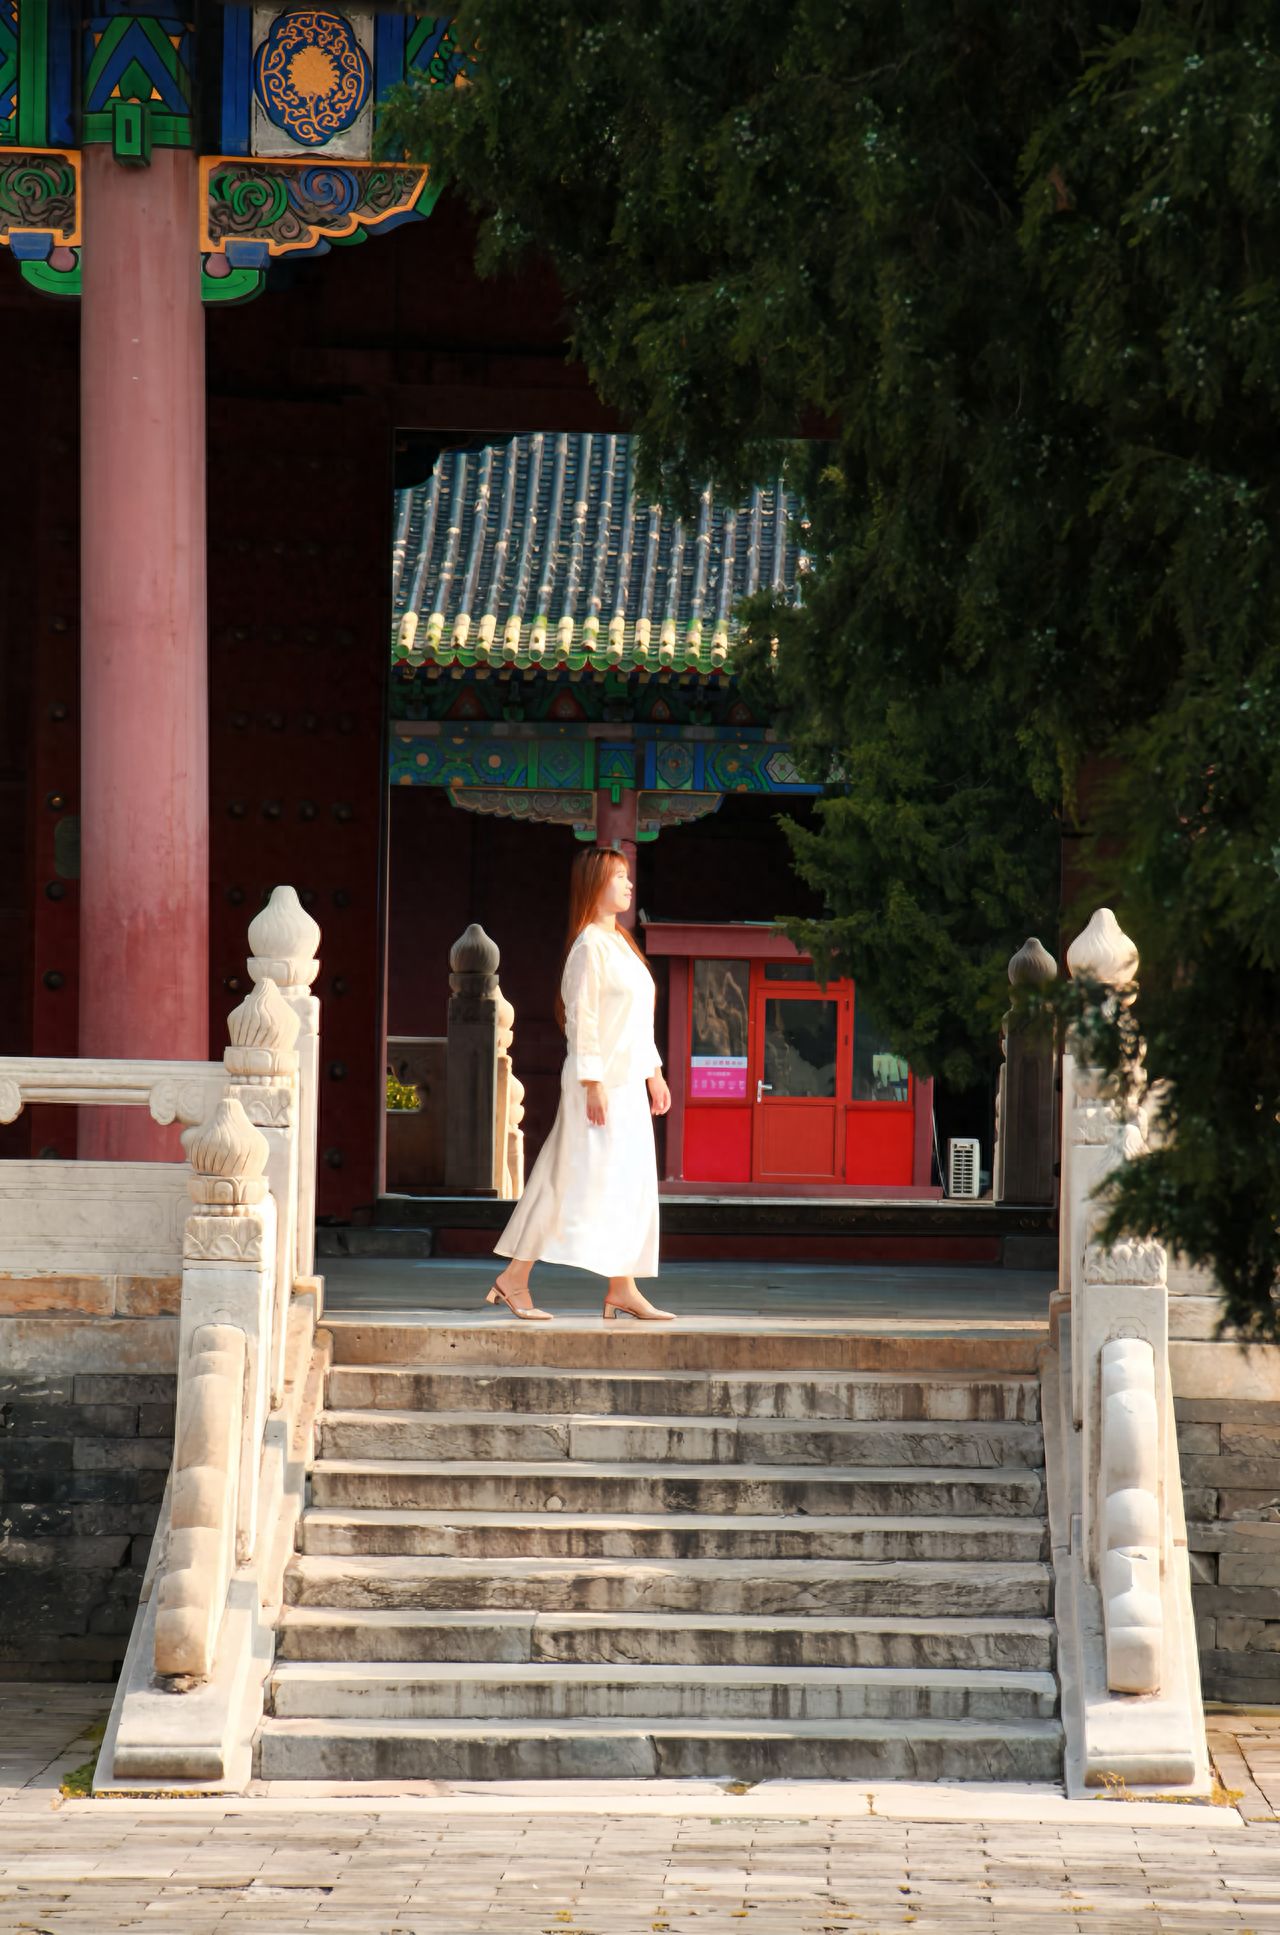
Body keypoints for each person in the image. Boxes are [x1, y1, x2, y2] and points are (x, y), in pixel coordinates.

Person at [485, 845, 674, 1323]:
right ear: (595, 884)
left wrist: (653, 1073)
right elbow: (582, 1020)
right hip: (600, 1084)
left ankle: (622, 1287)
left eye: (628, 877)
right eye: (618, 877)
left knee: (627, 1184)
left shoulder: (622, 945)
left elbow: (635, 1022)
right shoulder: (588, 946)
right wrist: (592, 1082)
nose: (628, 885)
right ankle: (514, 1278)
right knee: (570, 1177)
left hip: (627, 1082)